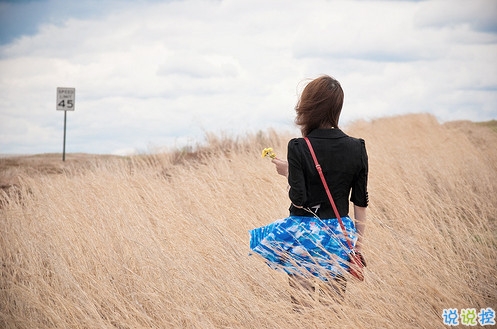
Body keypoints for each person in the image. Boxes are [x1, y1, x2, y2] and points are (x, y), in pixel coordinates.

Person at [253, 75, 368, 307]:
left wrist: (289, 173)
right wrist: (358, 245)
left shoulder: (298, 146)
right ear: (337, 107)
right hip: (340, 233)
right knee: (333, 309)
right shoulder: (357, 147)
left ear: (308, 106)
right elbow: (360, 200)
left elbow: (299, 200)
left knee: (302, 310)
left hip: (303, 233)